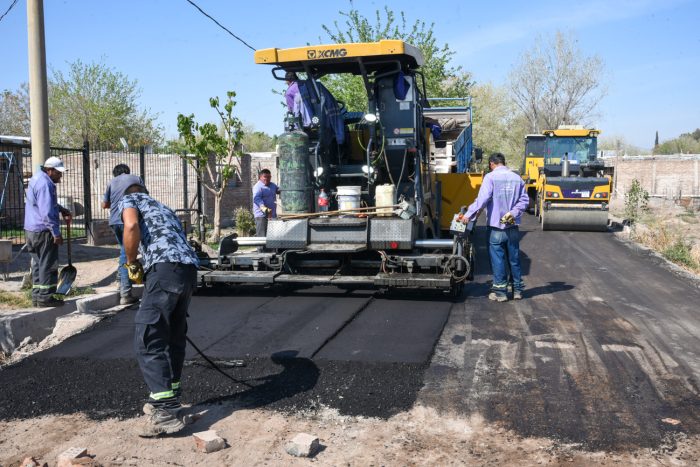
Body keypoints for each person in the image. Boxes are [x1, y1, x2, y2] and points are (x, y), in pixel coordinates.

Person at [119, 181, 200, 437]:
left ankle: (164, 412)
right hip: (187, 271)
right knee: (174, 335)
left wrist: (131, 263)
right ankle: (170, 398)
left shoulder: (131, 200)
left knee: (149, 336)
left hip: (164, 270)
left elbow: (131, 226)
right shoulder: (164, 207)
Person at [462, 153, 529, 302]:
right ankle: (517, 290)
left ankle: (501, 293)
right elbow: (524, 201)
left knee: (498, 259)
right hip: (512, 226)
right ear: (503, 163)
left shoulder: (490, 178)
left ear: (492, 163)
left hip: (496, 228)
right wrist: (512, 213)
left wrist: (468, 215)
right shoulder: (517, 178)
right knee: (514, 259)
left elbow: (482, 200)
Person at [24, 156, 72, 307]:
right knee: (48, 264)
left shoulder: (36, 178)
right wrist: (56, 233)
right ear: (50, 170)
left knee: (38, 264)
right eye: (58, 173)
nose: (61, 176)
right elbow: (46, 212)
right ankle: (46, 297)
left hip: (31, 230)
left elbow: (45, 203)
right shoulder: (46, 184)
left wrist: (62, 209)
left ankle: (37, 296)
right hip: (43, 231)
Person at [102, 164, 141, 305]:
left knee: (124, 252)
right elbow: (144, 198)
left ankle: (120, 282)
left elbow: (104, 204)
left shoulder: (111, 182)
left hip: (114, 221)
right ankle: (125, 293)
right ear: (128, 171)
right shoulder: (136, 179)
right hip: (128, 220)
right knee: (127, 254)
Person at [252, 168, 279, 238]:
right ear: (260, 177)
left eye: (269, 177)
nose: (267, 179)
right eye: (265, 177)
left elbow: (279, 190)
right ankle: (261, 249)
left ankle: (271, 249)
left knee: (272, 236)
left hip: (272, 215)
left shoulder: (272, 185)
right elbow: (256, 198)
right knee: (262, 237)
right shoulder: (258, 187)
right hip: (261, 216)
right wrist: (263, 207)